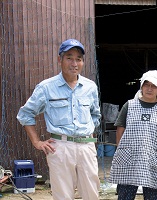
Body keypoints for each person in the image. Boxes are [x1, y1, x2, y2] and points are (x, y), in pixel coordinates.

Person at [17, 39, 101, 200]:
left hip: (86, 147)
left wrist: (88, 137)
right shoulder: (46, 87)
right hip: (60, 148)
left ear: (83, 62)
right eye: (69, 57)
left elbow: (95, 115)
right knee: (63, 195)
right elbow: (25, 114)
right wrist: (37, 142)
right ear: (59, 60)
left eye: (79, 59)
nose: (74, 63)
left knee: (91, 194)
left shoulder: (90, 87)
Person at [109, 70, 157, 200]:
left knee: (153, 197)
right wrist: (120, 151)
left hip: (154, 159)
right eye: (146, 85)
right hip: (129, 160)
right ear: (141, 86)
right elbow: (120, 130)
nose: (149, 89)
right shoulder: (129, 105)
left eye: (154, 86)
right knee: (125, 197)